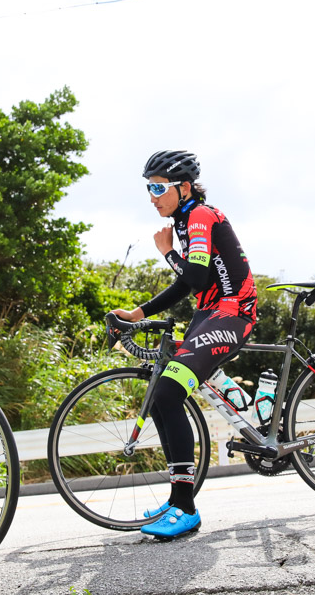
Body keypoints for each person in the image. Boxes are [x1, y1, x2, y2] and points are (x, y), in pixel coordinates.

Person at [110, 150, 258, 539]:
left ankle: (185, 507)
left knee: (168, 391)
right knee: (162, 393)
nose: (153, 196)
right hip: (210, 312)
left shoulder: (200, 216)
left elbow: (192, 277)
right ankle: (178, 495)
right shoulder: (185, 220)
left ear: (185, 187)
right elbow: (201, 281)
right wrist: (139, 314)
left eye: (159, 188)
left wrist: (167, 255)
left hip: (231, 312)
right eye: (149, 189)